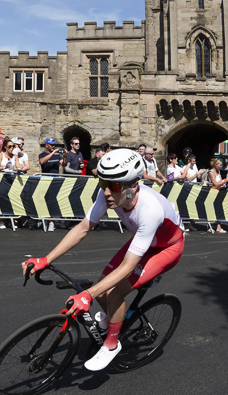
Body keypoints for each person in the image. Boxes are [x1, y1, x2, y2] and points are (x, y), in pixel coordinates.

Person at [21, 149, 185, 371]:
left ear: (134, 185)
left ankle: (111, 344)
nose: (107, 192)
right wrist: (45, 259)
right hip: (144, 240)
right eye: (102, 184)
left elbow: (127, 266)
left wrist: (87, 296)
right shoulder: (110, 193)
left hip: (167, 248)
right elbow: (83, 228)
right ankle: (118, 317)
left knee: (113, 293)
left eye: (114, 186)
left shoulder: (150, 209)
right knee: (102, 285)